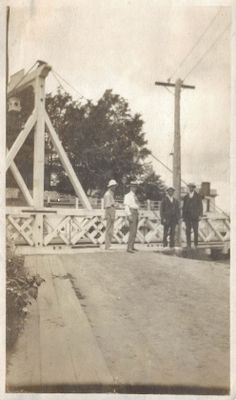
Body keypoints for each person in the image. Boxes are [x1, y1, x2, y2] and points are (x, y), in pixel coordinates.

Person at [182, 182, 203, 248]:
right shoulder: (186, 197)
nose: (190, 188)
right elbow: (184, 207)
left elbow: (200, 206)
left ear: (194, 188)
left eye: (192, 187)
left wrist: (200, 215)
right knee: (187, 231)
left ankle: (196, 244)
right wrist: (183, 216)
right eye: (189, 187)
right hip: (187, 217)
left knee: (195, 231)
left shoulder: (198, 196)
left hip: (195, 216)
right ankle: (188, 245)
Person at [124, 182, 139, 253]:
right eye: (133, 187)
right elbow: (126, 206)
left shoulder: (135, 196)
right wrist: (129, 214)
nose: (134, 188)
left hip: (136, 212)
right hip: (131, 212)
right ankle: (129, 247)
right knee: (132, 230)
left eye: (135, 187)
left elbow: (136, 205)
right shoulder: (127, 196)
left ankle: (132, 246)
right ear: (130, 187)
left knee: (135, 231)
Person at [103, 179, 118, 250]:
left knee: (110, 229)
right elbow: (108, 206)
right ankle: (107, 245)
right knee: (109, 229)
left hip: (111, 211)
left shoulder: (110, 194)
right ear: (111, 186)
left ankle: (108, 244)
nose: (115, 188)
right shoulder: (108, 194)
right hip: (110, 212)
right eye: (114, 186)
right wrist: (111, 215)